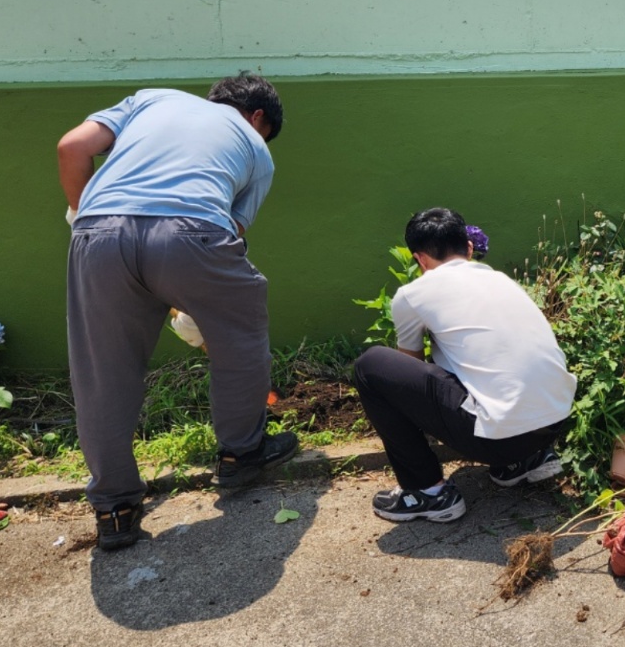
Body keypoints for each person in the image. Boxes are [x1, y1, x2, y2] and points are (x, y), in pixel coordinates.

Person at [57, 74, 297, 551]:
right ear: (258, 118)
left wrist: (93, 218)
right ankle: (240, 455)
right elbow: (230, 230)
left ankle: (114, 506)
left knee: (103, 373)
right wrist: (184, 293)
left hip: (98, 233)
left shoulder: (151, 100)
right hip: (194, 232)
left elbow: (71, 147)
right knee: (240, 342)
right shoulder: (255, 145)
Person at [352, 208, 576, 523]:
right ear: (469, 249)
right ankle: (526, 460)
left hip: (498, 440)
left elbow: (408, 371)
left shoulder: (413, 294)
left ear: (419, 259)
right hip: (553, 422)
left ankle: (427, 491)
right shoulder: (500, 280)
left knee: (370, 366)